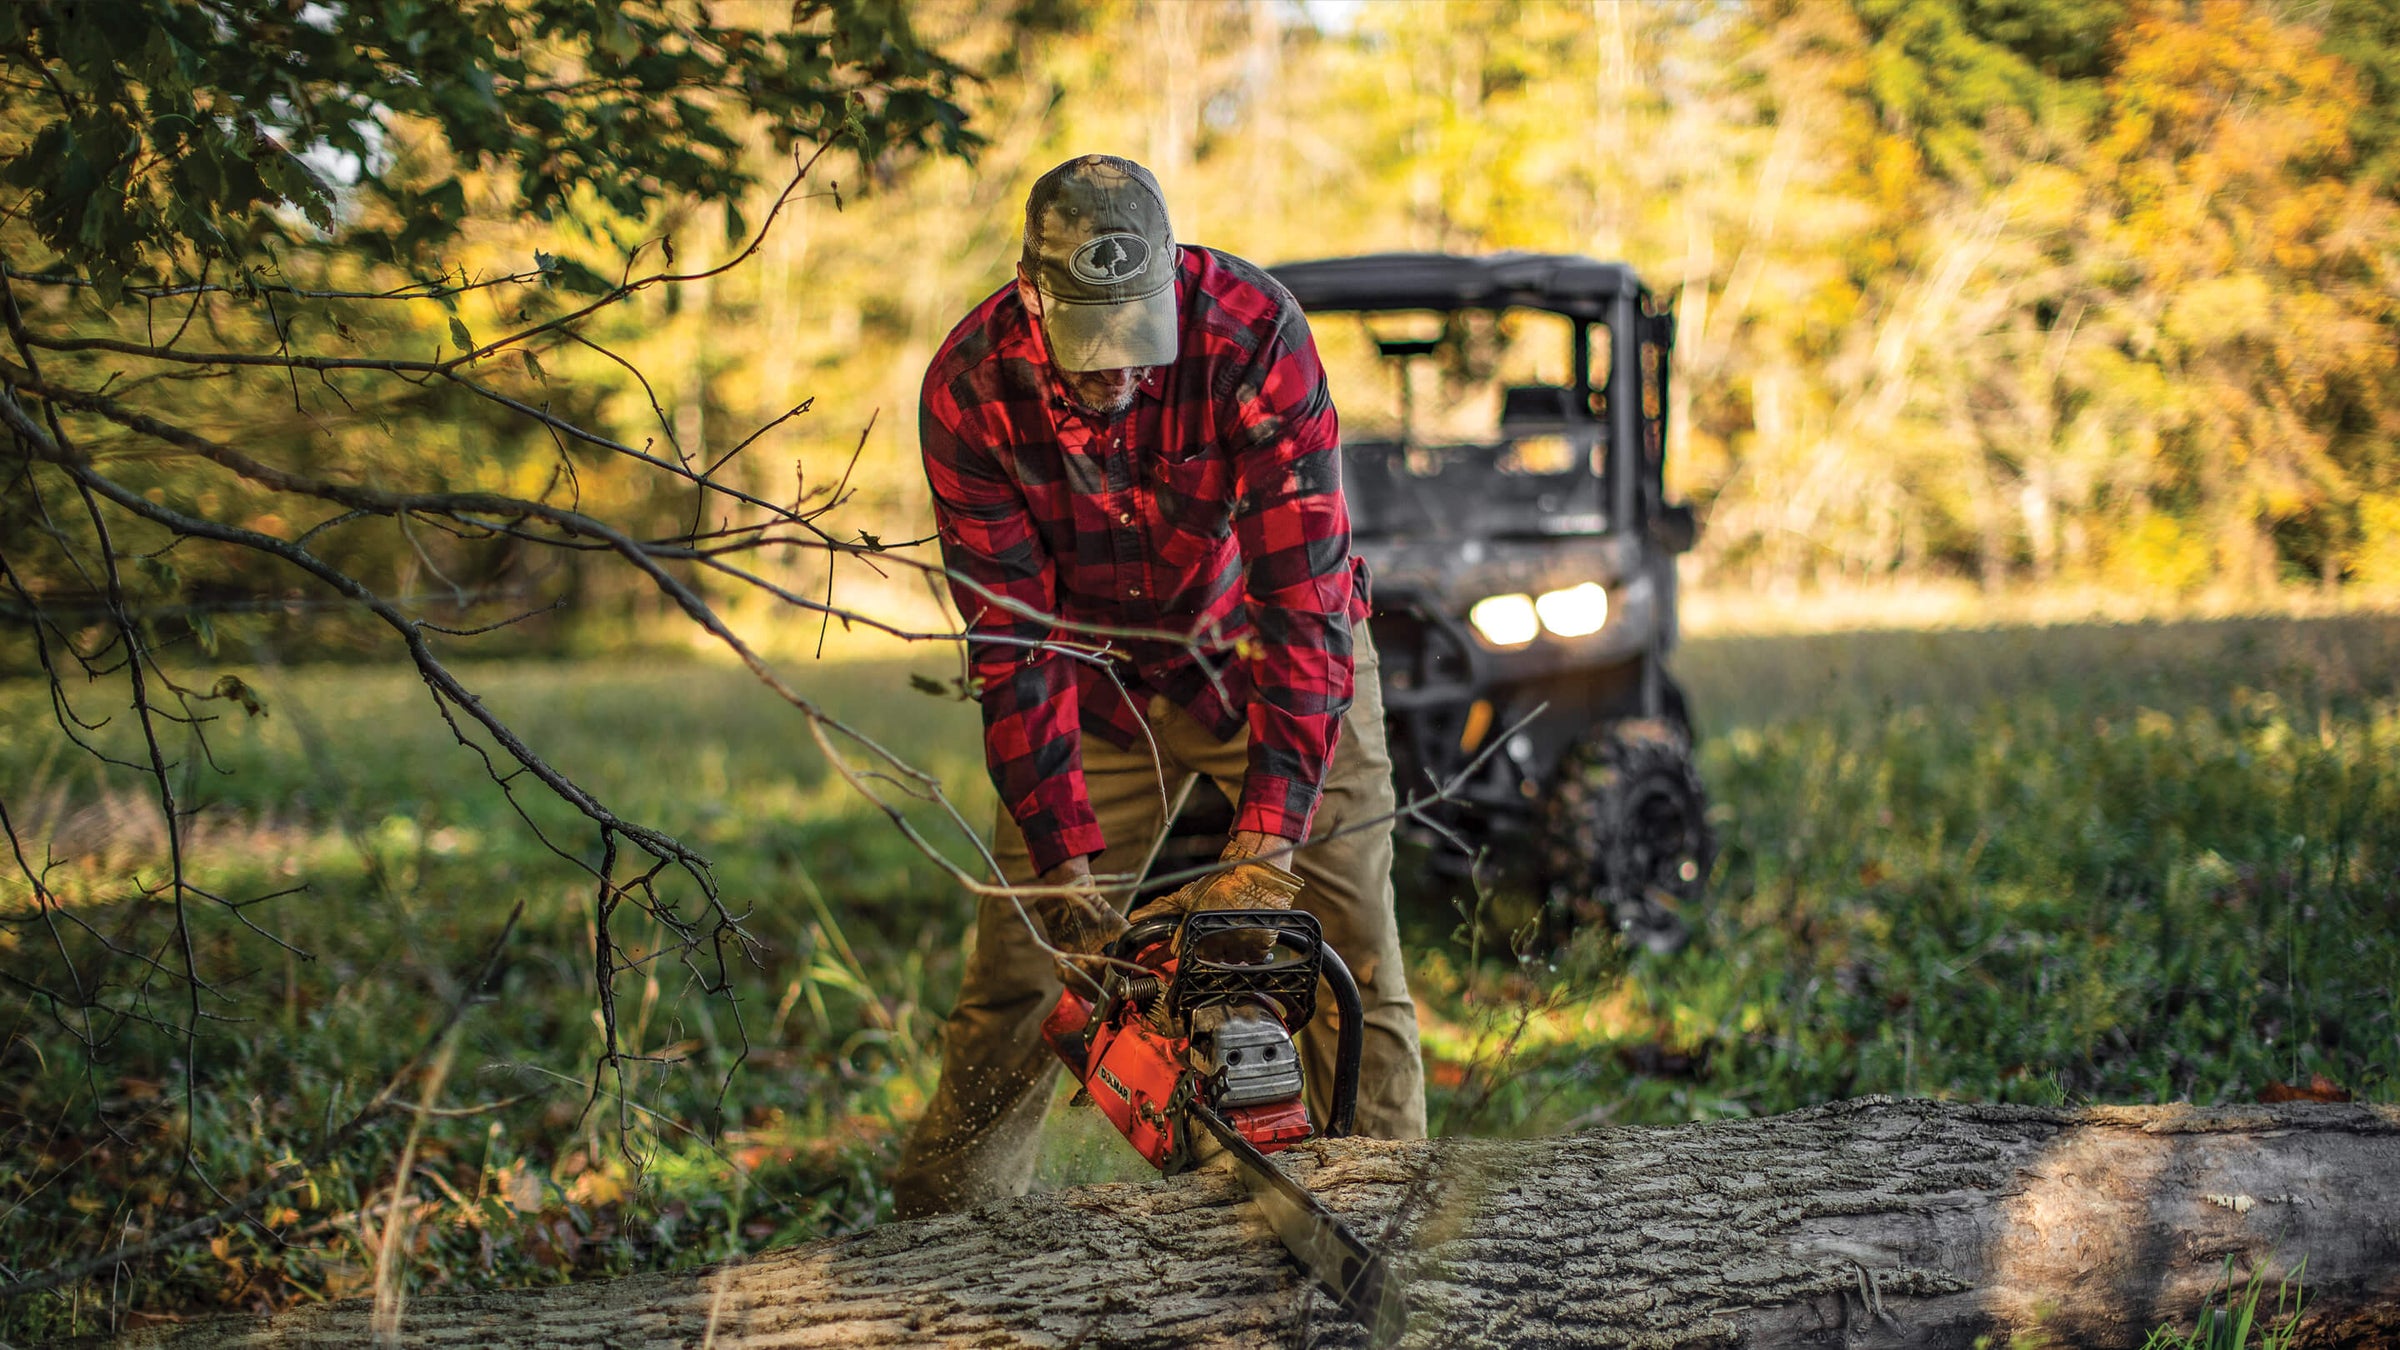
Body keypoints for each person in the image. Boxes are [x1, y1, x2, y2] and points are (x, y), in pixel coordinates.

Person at [895, 153, 1425, 1218]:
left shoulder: (1253, 333)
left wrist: (1268, 843)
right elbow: (1013, 646)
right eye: (1092, 354)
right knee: (1022, 969)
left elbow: (1307, 601)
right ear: (1031, 294)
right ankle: (946, 1242)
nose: (1121, 380)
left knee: (1350, 942)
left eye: (1139, 349)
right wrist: (1073, 871)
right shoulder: (969, 389)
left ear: (1173, 277)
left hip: (1261, 658)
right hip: (1089, 685)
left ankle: (1381, 1208)